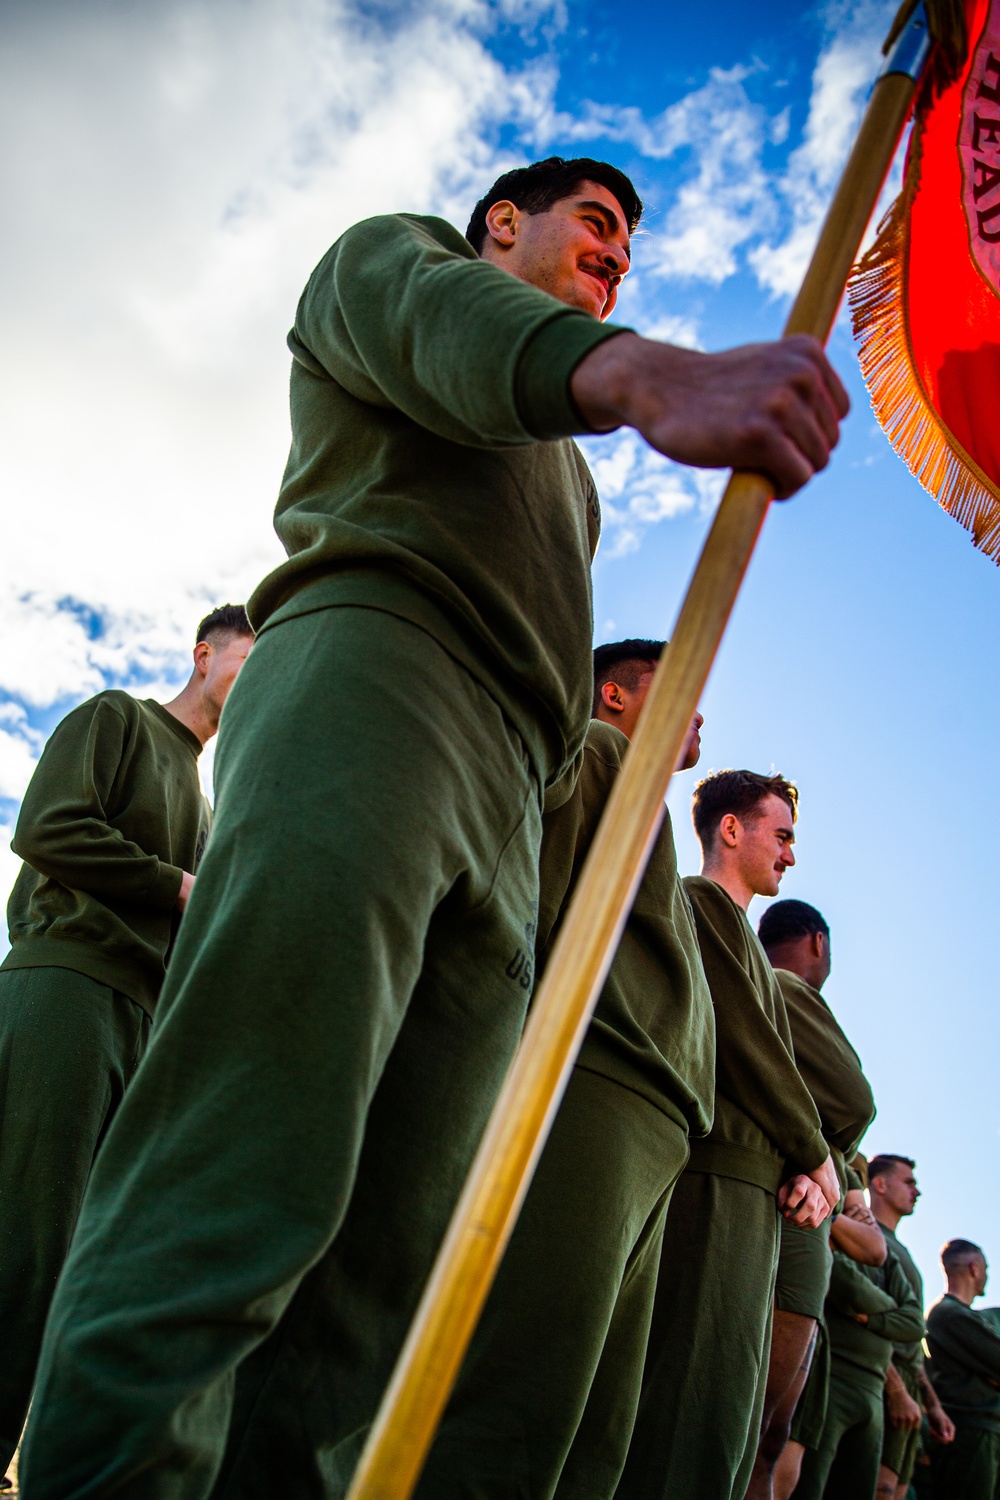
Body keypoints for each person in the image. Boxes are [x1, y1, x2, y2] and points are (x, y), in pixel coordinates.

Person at [20, 156, 848, 1500]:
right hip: (381, 673)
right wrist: (648, 376)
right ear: (502, 225)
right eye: (597, 223)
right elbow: (448, 331)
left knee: (389, 1266)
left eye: (632, 243)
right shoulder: (397, 267)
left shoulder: (566, 486)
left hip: (508, 787)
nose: (617, 253)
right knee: (249, 1151)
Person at [414, 639, 712, 1498]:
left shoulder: (644, 799)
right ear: (614, 695)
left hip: (659, 1128)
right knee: (522, 1403)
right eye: (675, 684)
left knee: (596, 1429)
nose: (698, 708)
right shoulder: (597, 752)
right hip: (594, 1089)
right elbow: (529, 918)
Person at [0, 604, 252, 1489]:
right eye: (255, 650)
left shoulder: (218, 810)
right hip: (64, 986)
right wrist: (180, 886)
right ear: (205, 654)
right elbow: (49, 828)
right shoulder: (115, 718)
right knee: (27, 1250)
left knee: (78, 1262)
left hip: (145, 1027)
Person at [618, 771, 840, 1500]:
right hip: (712, 1182)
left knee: (725, 1417)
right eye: (782, 835)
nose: (791, 855)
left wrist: (804, 1162)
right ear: (731, 830)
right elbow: (749, 1047)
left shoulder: (736, 930)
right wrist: (815, 1152)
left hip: (752, 1186)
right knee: (692, 1410)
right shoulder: (701, 902)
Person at [746, 899, 876, 1499]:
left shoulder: (750, 975)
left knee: (764, 1434)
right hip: (787, 1221)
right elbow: (855, 1101)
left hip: (786, 1208)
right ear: (818, 943)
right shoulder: (787, 989)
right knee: (757, 1430)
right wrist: (826, 1159)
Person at [793, 1183, 924, 1500]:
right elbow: (846, 1283)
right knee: (809, 1485)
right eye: (907, 1182)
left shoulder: (888, 1256)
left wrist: (872, 1317)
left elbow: (915, 1323)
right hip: (832, 1376)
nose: (916, 1190)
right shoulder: (832, 1233)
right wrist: (893, 1312)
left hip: (872, 1389)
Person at [775, 1159, 888, 1500]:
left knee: (776, 1446)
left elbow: (873, 1247)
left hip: (805, 1318)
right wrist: (840, 1221)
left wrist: (824, 1210)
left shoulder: (844, 1171)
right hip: (773, 1289)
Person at [868, 1155, 955, 1498]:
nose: (916, 1191)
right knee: (880, 1489)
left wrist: (931, 1402)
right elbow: (866, 1321)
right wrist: (896, 1391)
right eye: (908, 1182)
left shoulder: (901, 1248)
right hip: (879, 1380)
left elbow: (910, 1337)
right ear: (880, 1184)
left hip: (908, 1386)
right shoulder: (870, 1239)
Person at [925, 1240, 1000, 1498]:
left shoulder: (966, 1317)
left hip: (983, 1432)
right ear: (974, 1268)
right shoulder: (948, 1314)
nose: (988, 1275)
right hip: (969, 1434)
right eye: (986, 1268)